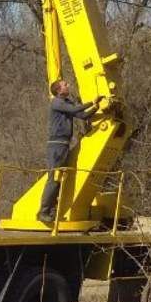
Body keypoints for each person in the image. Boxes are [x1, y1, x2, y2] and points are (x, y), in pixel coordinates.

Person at [38, 78, 96, 224]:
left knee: (60, 180)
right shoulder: (57, 102)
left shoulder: (67, 103)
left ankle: (51, 211)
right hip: (56, 145)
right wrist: (91, 102)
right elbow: (75, 110)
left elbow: (82, 115)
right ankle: (43, 212)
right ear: (58, 90)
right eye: (65, 85)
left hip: (64, 145)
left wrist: (97, 106)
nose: (68, 85)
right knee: (54, 179)